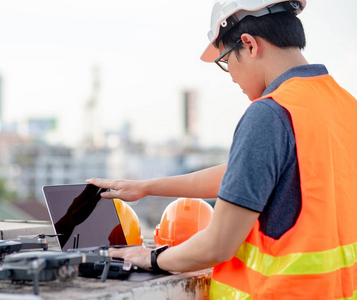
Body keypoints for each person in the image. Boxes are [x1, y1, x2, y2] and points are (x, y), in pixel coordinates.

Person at [87, 0, 357, 298]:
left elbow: (218, 244)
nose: (230, 75)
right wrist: (146, 187)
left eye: (226, 60)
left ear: (249, 45)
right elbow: (247, 176)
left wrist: (150, 257)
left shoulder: (271, 113)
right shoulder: (345, 106)